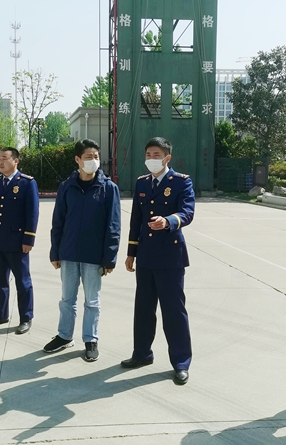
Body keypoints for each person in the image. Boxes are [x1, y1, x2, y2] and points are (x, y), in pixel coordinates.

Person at [122, 137, 195, 385]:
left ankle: (181, 363)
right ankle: (142, 353)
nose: (151, 159)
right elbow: (136, 220)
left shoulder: (181, 182)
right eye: (148, 154)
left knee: (174, 312)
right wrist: (131, 252)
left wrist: (168, 221)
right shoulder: (142, 183)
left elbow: (187, 212)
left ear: (167, 157)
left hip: (170, 257)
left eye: (156, 155)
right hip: (145, 256)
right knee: (143, 309)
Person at [45, 139, 121, 362]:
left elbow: (113, 225)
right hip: (68, 253)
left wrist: (109, 258)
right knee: (67, 299)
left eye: (96, 157)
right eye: (88, 157)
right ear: (77, 159)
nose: (93, 161)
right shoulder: (66, 187)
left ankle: (90, 339)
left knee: (92, 301)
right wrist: (55, 252)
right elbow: (58, 221)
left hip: (93, 256)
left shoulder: (108, 188)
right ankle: (64, 336)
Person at [0, 147, 39, 335]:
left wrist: (29, 238)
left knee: (23, 282)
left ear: (16, 161)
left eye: (5, 158)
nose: (0, 162)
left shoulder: (27, 183)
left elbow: (32, 213)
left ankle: (26, 318)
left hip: (17, 242)